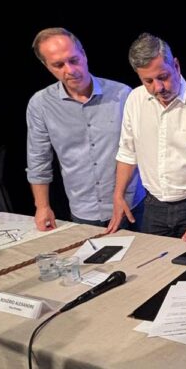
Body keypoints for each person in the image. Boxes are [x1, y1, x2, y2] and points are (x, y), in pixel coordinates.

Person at [27, 28, 143, 231]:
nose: (70, 70)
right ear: (46, 66)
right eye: (58, 65)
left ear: (84, 54)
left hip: (132, 205)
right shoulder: (41, 104)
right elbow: (38, 160)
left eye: (74, 60)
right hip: (83, 210)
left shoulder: (122, 94)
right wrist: (42, 206)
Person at [107, 33, 186, 240]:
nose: (158, 88)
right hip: (153, 206)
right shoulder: (135, 99)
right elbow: (128, 152)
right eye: (148, 81)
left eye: (163, 77)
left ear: (176, 66)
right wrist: (119, 195)